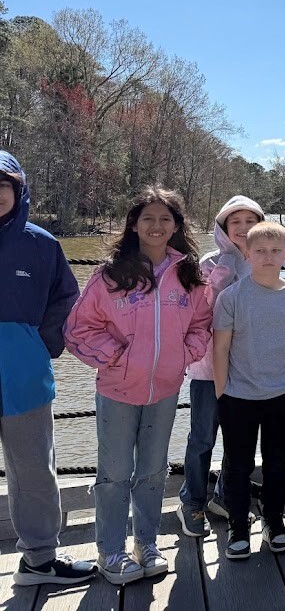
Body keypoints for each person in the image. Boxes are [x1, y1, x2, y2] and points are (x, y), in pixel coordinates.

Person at [66, 187, 212, 584]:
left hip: (165, 390)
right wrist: (116, 356)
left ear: (177, 226)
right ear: (133, 224)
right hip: (117, 391)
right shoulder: (111, 274)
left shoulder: (189, 275)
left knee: (152, 471)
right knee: (114, 474)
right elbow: (78, 328)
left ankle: (145, 543)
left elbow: (202, 324)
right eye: (148, 217)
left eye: (166, 219)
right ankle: (110, 551)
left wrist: (184, 355)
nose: (156, 225)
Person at [0, 152, 97, 587]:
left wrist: (38, 345)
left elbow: (66, 301)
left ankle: (38, 562)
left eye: (2, 187)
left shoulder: (42, 244)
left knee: (34, 470)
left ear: (18, 193)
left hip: (23, 378)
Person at [212, 221, 285, 559]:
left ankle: (274, 522)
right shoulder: (232, 297)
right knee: (237, 465)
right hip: (238, 397)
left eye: (274, 251)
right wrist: (221, 392)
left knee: (278, 463)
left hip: (283, 396)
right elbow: (221, 347)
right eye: (259, 251)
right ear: (247, 254)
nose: (267, 257)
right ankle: (239, 527)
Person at [178, 194, 265, 538]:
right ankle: (192, 501)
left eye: (250, 221)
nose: (243, 229)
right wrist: (218, 280)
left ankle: (225, 497)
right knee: (202, 438)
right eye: (236, 222)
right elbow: (195, 312)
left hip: (250, 368)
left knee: (240, 441)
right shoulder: (208, 263)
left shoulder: (267, 259)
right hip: (208, 369)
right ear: (223, 228)